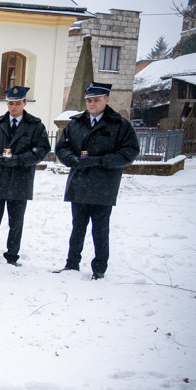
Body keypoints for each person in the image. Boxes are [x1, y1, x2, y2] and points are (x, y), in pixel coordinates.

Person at [54, 82, 139, 280]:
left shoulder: (119, 125)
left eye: (96, 100)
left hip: (104, 185)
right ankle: (71, 263)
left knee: (100, 229)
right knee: (78, 227)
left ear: (106, 100)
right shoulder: (75, 123)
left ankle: (99, 268)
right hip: (79, 182)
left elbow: (129, 152)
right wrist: (72, 160)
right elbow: (62, 148)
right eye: (89, 100)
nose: (92, 104)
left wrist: (101, 161)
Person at [0, 86, 51, 266]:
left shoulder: (35, 125)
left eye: (17, 103)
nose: (13, 107)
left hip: (20, 179)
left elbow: (42, 149)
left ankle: (12, 255)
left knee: (16, 222)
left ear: (24, 103)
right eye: (10, 103)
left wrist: (20, 160)